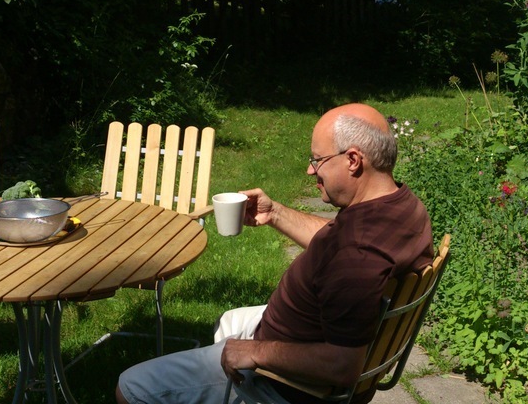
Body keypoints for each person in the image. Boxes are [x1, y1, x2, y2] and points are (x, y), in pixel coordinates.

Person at [116, 103, 434, 404]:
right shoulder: (401, 208)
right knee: (228, 321)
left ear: (352, 160)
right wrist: (275, 214)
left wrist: (257, 352)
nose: (311, 171)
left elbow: (342, 364)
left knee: (131, 387)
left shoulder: (358, 255)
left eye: (317, 159)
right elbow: (334, 240)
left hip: (284, 386)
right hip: (294, 334)